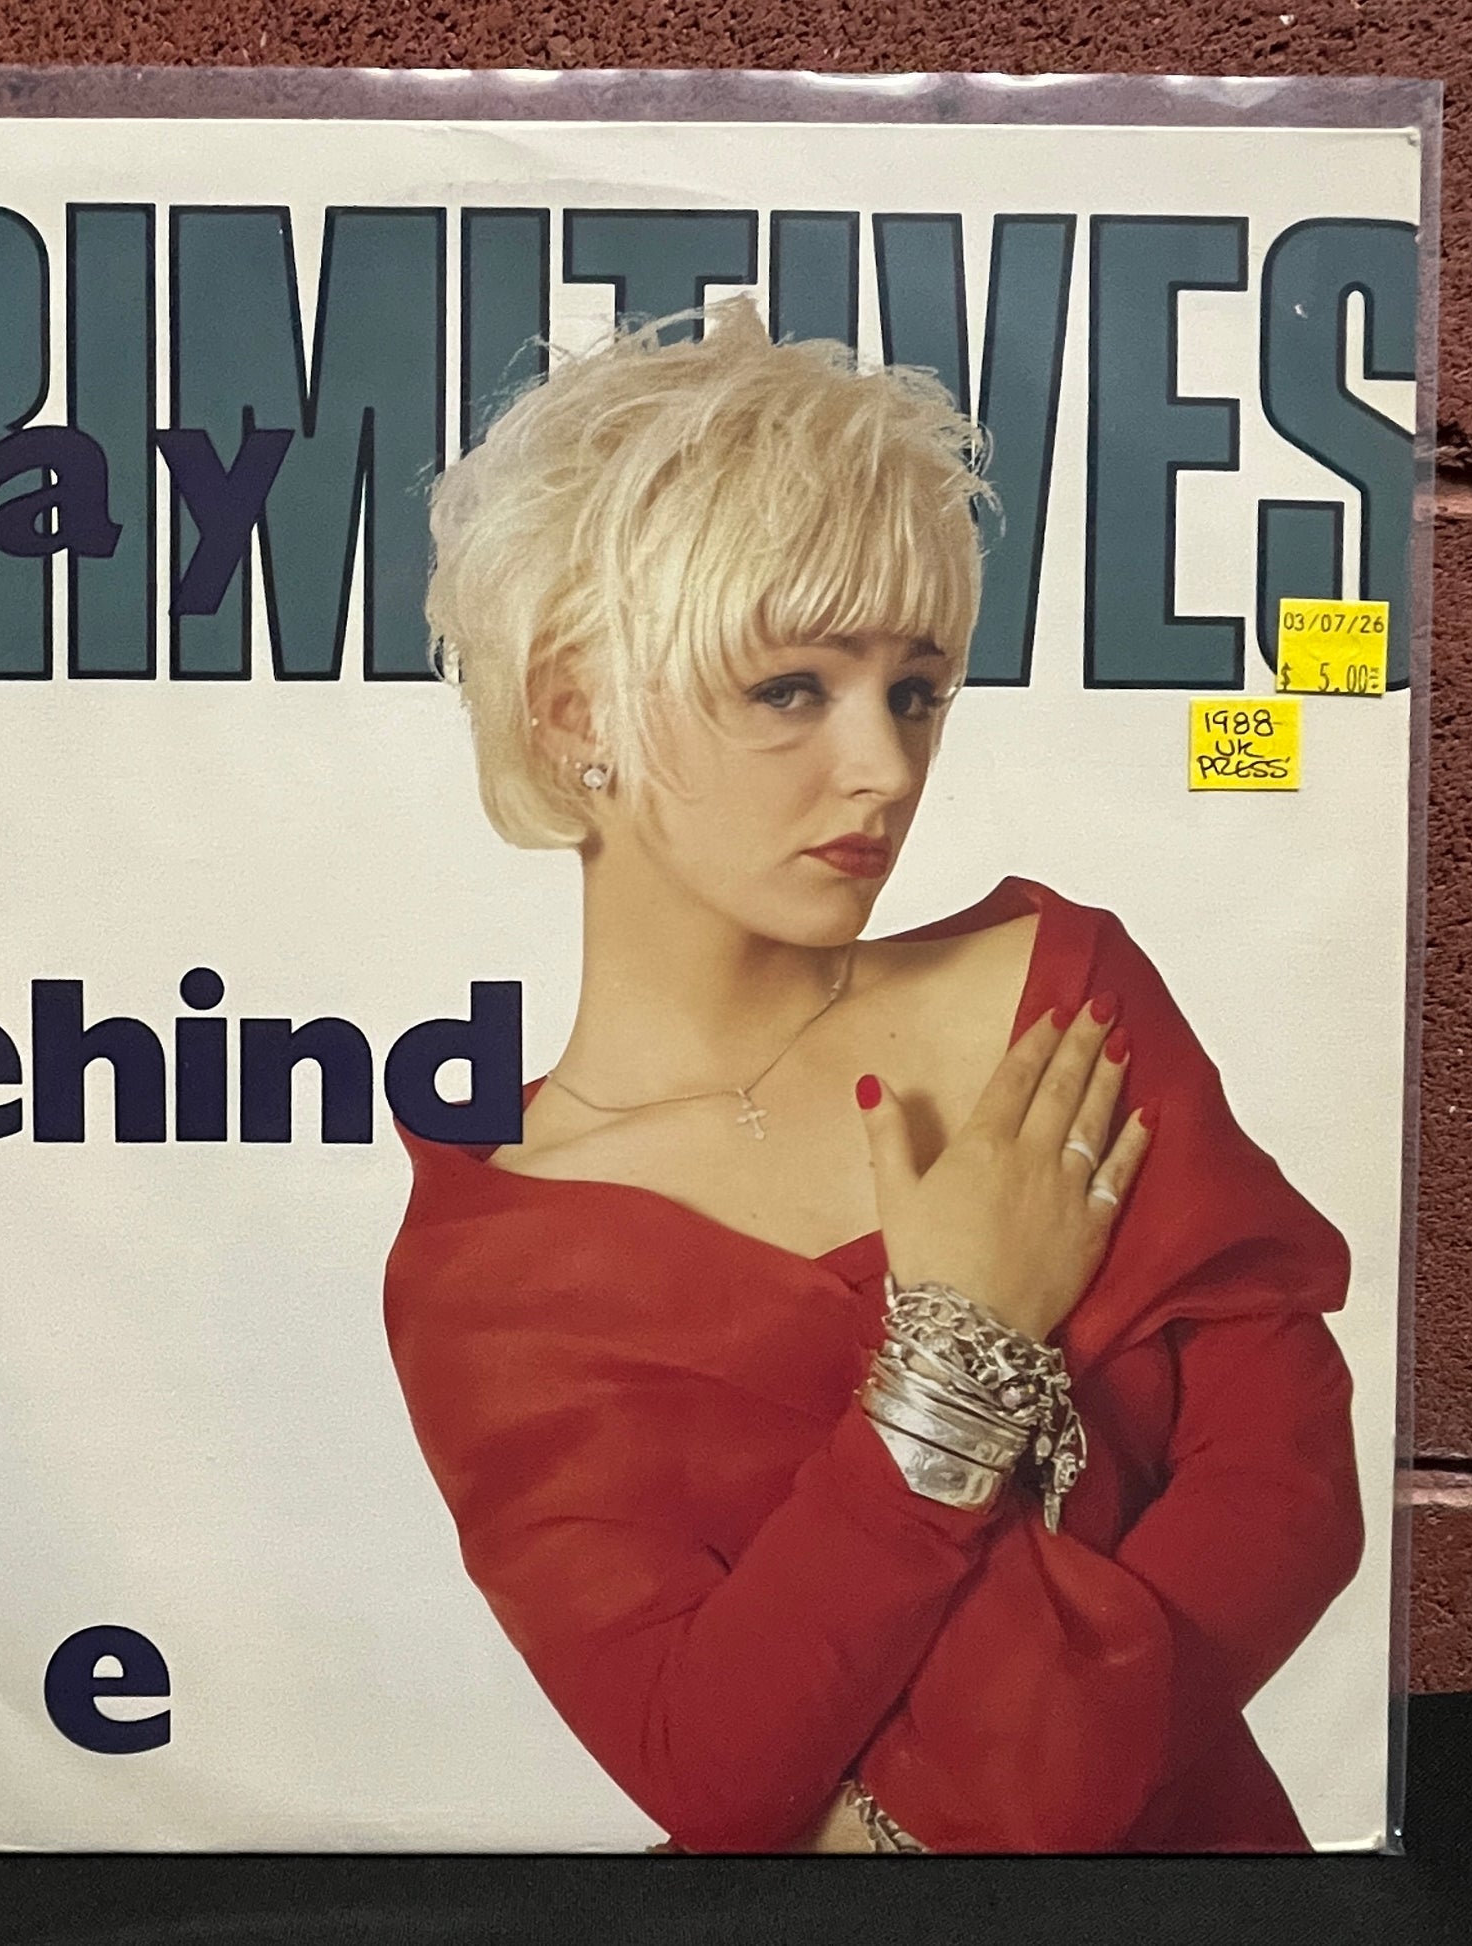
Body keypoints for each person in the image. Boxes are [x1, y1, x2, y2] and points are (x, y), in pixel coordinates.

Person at [382, 300, 1362, 1854]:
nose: (885, 770)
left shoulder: (1058, 998)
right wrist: (957, 1340)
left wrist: (925, 1822)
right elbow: (708, 1762)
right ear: (574, 713)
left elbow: (1289, 1495)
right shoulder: (495, 1278)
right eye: (791, 688)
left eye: (915, 689)